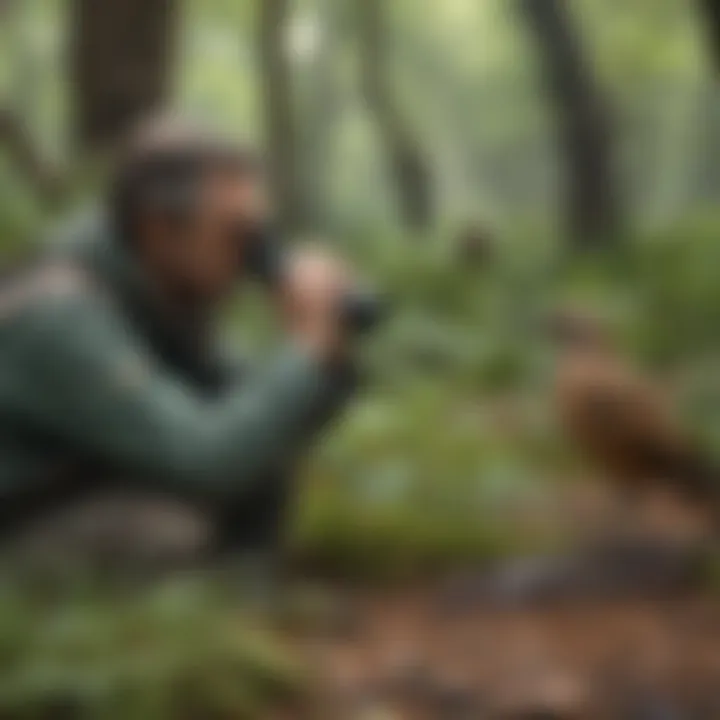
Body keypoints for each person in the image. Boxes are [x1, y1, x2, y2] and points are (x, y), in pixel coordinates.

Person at [0, 115, 361, 581]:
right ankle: (155, 634)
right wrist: (306, 346)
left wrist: (324, 355)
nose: (250, 252)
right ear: (159, 228)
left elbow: (251, 418)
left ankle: (246, 596)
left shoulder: (162, 294)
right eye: (235, 233)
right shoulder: (59, 317)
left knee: (261, 456)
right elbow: (207, 461)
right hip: (17, 514)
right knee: (165, 530)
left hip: (73, 485)